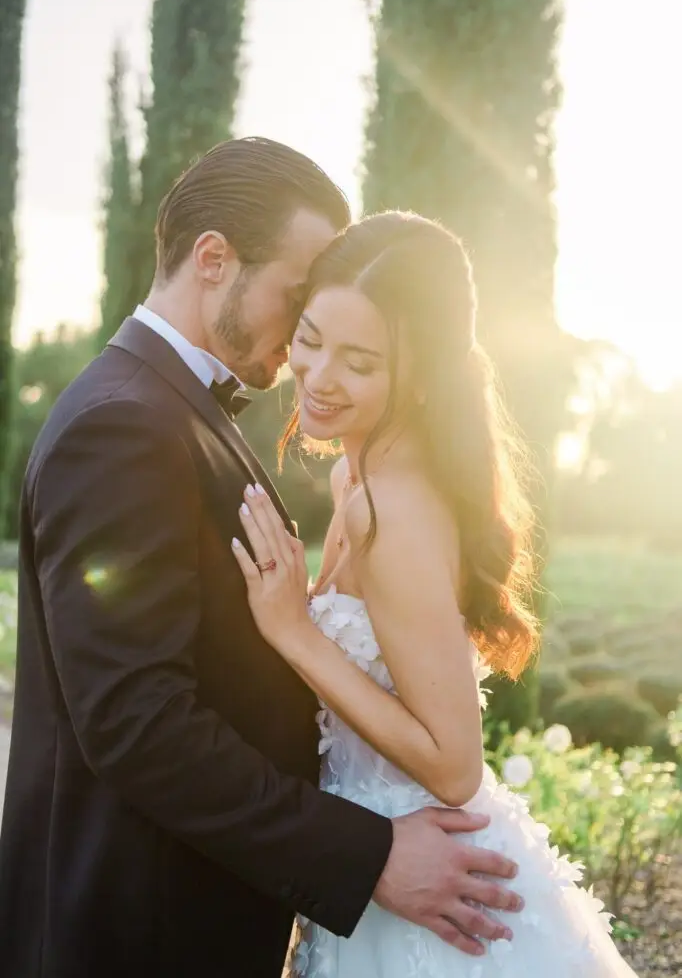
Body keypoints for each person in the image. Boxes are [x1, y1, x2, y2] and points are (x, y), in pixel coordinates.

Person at [0, 140, 522, 978]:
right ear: (214, 260)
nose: (309, 337)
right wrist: (367, 855)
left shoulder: (172, 410)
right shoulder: (122, 426)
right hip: (137, 933)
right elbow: (138, 724)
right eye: (298, 297)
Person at [230, 211, 639, 977]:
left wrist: (294, 632)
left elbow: (454, 766)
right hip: (377, 856)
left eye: (359, 362)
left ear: (419, 376)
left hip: (428, 881)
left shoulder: (394, 509)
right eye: (310, 339)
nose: (318, 376)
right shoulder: (356, 476)